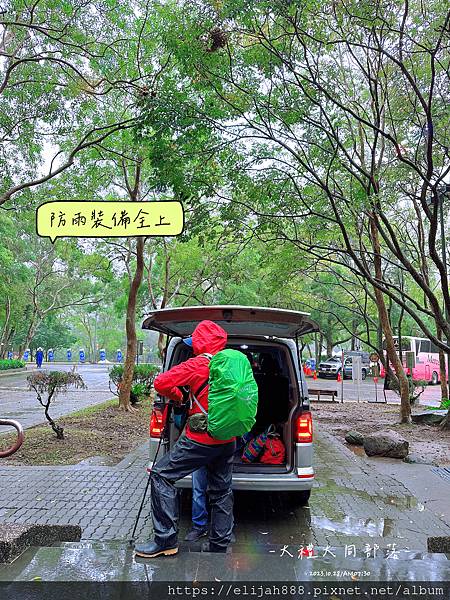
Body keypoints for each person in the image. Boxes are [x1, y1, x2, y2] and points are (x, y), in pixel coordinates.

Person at [134, 320, 236, 559]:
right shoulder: (232, 364)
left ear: (200, 344)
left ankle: (165, 540)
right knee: (221, 490)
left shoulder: (198, 364)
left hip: (201, 439)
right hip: (228, 438)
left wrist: (178, 395)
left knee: (161, 475)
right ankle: (219, 546)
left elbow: (161, 383)